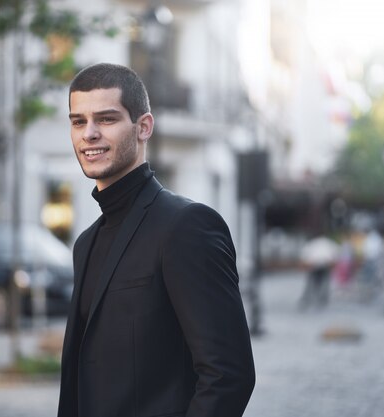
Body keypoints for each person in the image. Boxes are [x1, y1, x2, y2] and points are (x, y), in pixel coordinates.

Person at [57, 63, 255, 417]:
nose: (88, 134)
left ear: (143, 126)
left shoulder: (187, 226)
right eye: (78, 121)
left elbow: (228, 375)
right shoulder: (85, 244)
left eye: (106, 119)